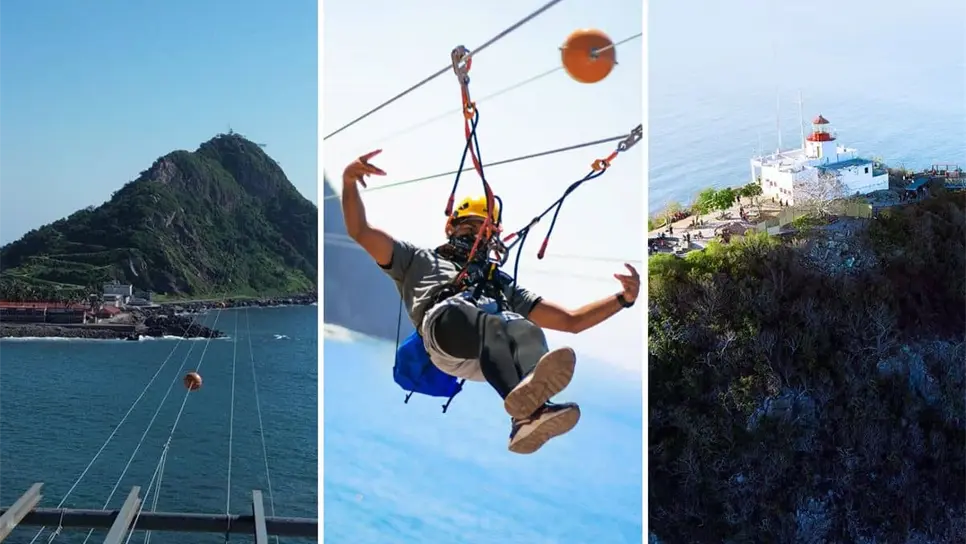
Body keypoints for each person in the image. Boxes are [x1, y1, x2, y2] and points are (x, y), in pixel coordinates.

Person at [340, 150, 640, 454]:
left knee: (526, 329)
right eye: (470, 227)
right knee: (491, 322)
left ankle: (530, 415)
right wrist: (349, 181)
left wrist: (623, 299)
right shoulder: (417, 259)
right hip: (444, 334)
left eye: (484, 231)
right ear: (451, 227)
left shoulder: (498, 282)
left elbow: (571, 321)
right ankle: (524, 409)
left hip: (483, 359)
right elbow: (360, 231)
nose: (477, 235)